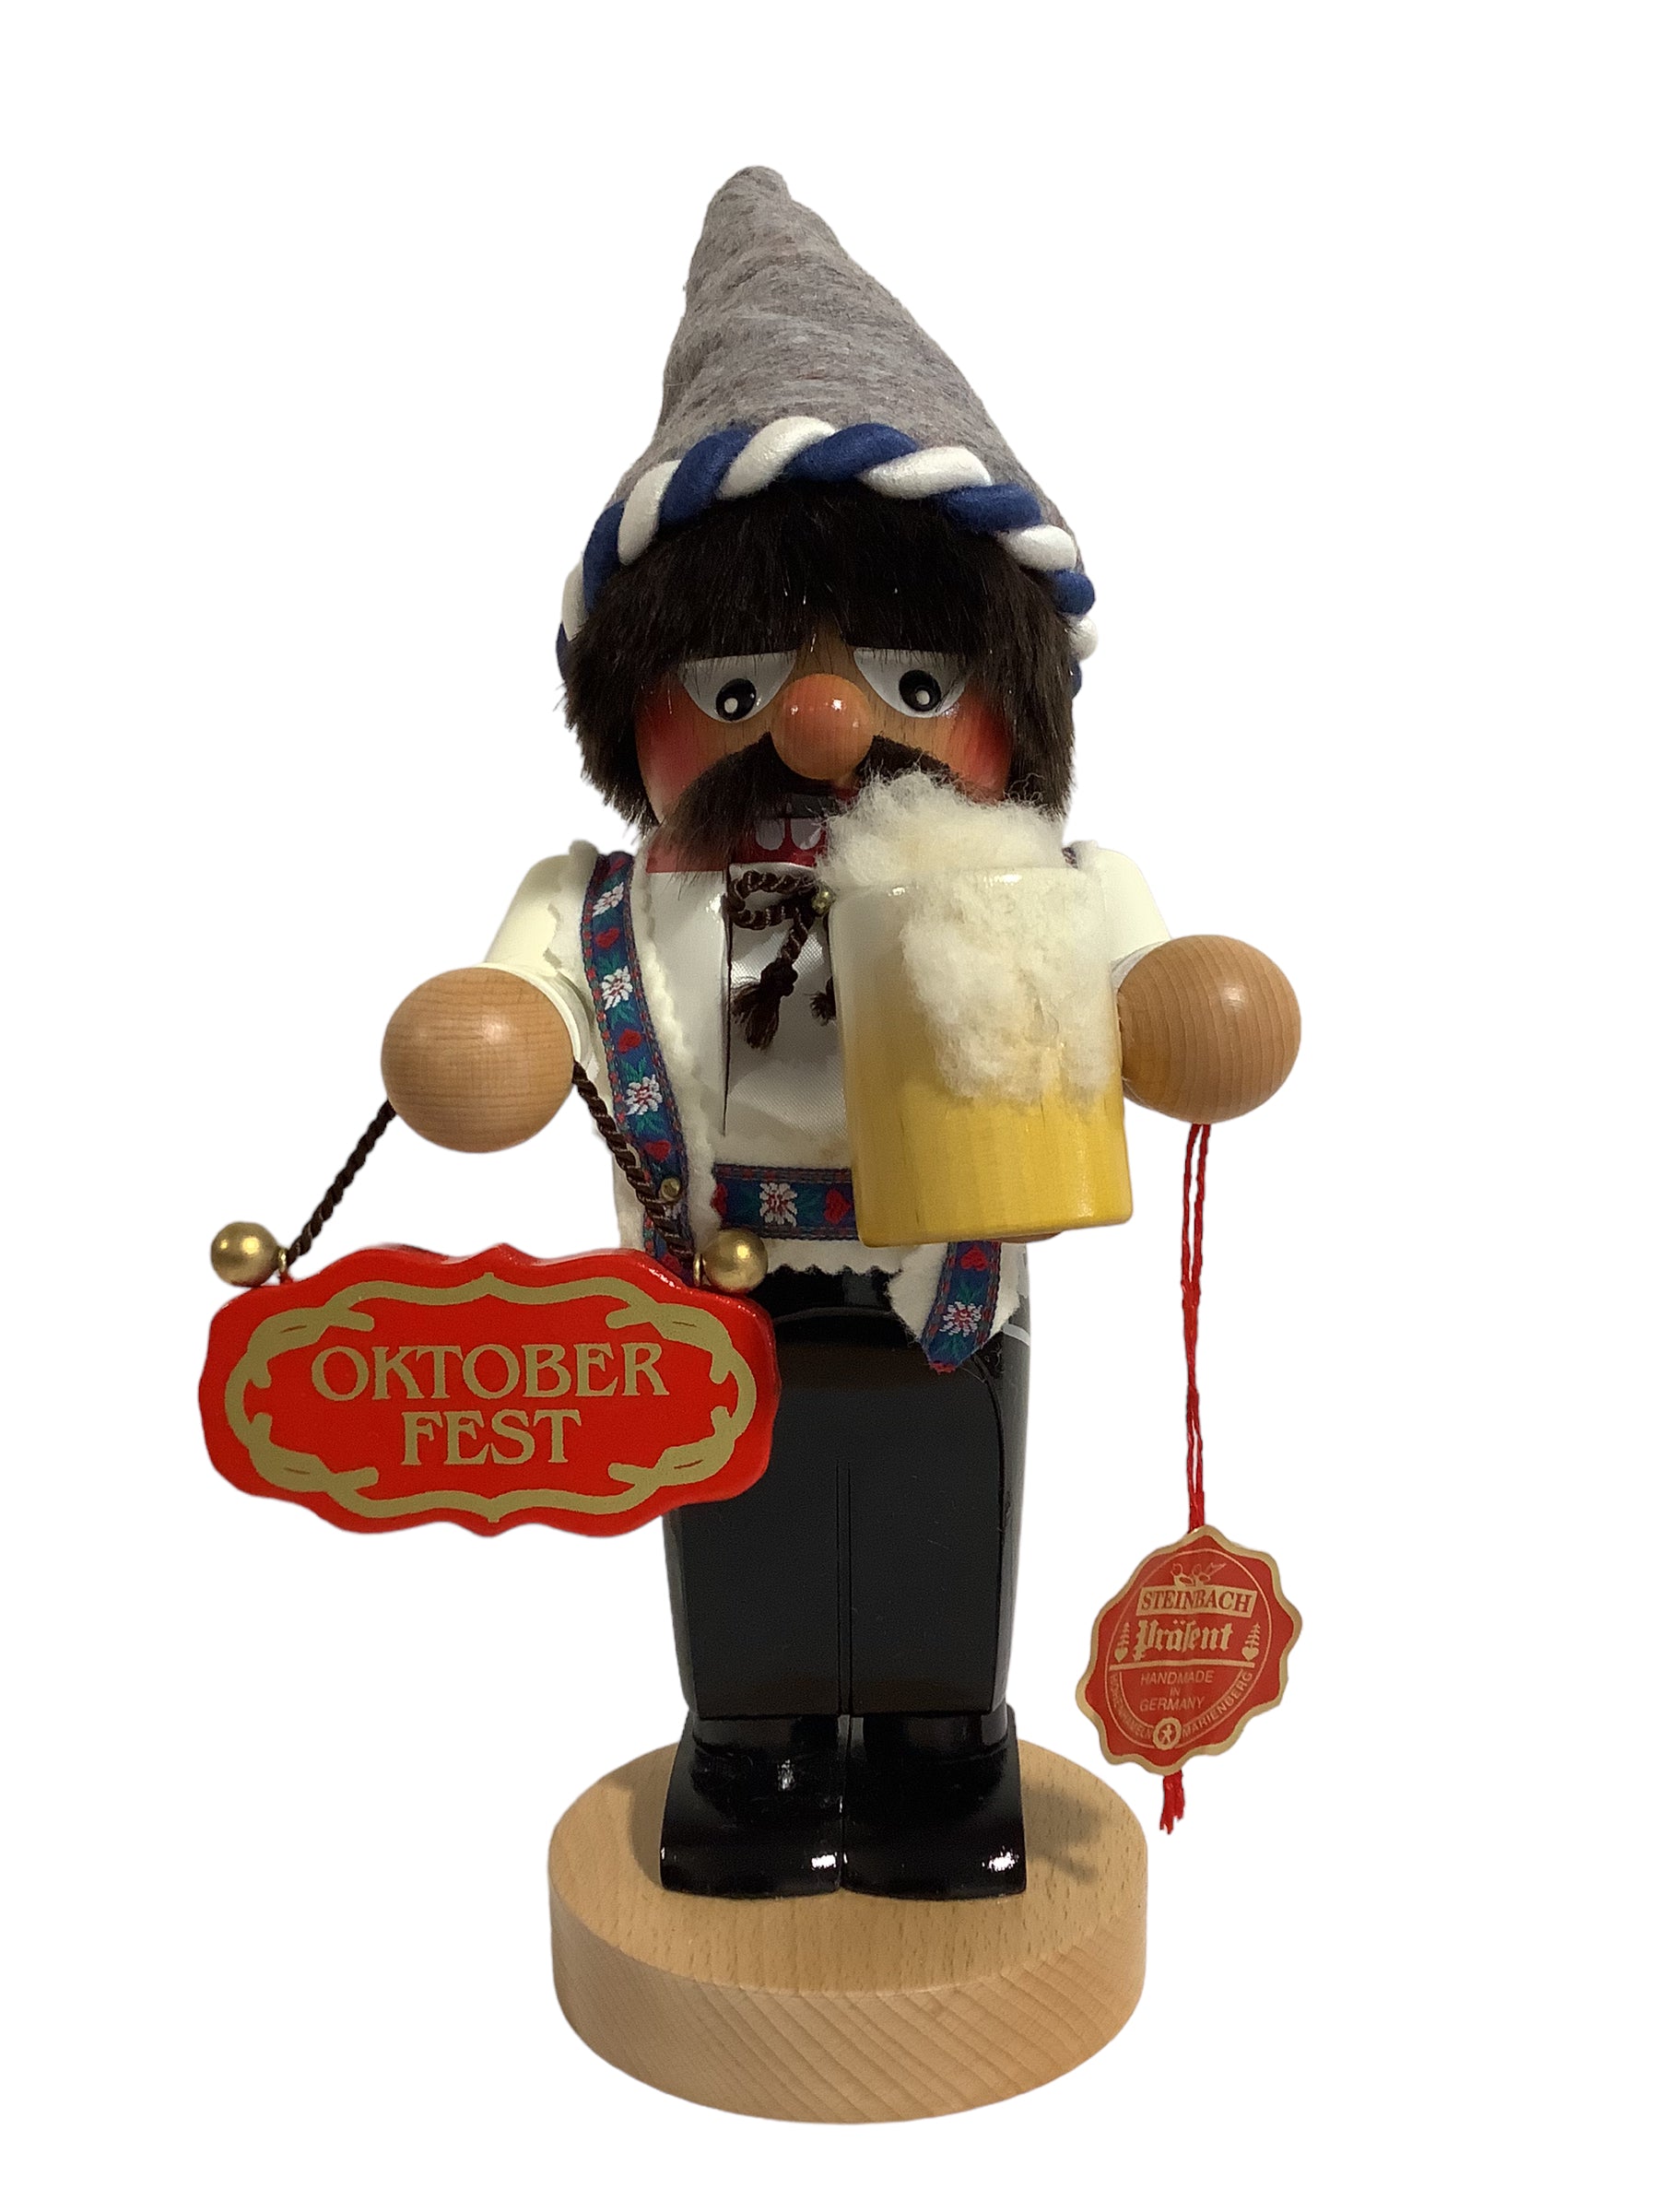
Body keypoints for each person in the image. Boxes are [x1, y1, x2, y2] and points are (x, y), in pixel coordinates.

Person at [381, 169, 1298, 1900]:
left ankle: (946, 1753)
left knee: (951, 1518)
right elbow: (516, 1014)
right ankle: (752, 1750)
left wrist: (1182, 1017)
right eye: (734, 689)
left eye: (913, 683)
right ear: (632, 715)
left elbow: (1164, 999)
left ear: (1014, 711)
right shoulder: (601, 898)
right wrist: (493, 1032)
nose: (817, 723)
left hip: (954, 1286)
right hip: (707, 1293)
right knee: (735, 1519)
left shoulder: (1055, 885)